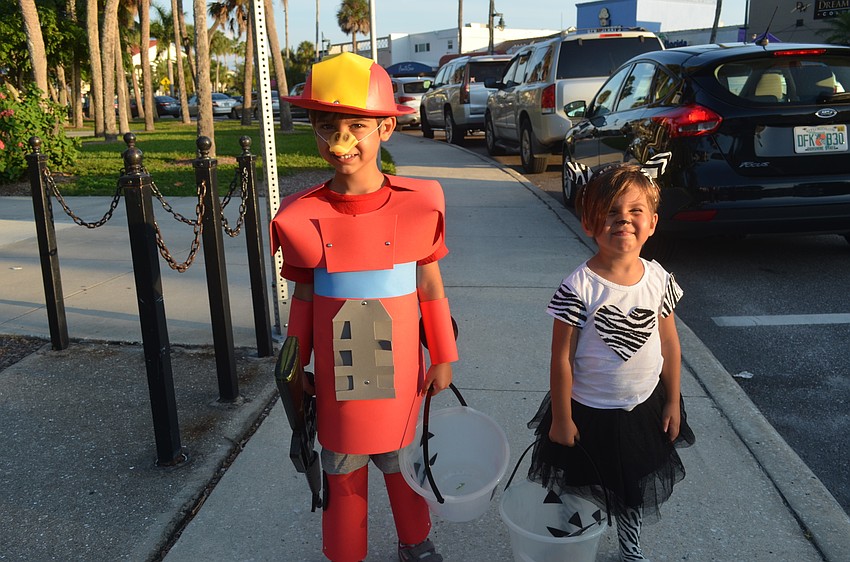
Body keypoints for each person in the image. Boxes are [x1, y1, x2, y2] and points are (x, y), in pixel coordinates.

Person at [270, 52, 457, 562]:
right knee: (342, 470)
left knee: (403, 465)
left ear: (386, 128)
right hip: (337, 384)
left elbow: (429, 284)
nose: (340, 141)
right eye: (326, 126)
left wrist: (443, 354)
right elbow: (304, 296)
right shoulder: (301, 217)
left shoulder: (419, 205)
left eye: (356, 125)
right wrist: (295, 367)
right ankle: (345, 552)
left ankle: (415, 543)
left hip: (399, 376)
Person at [527, 164, 695, 562]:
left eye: (635, 211)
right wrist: (562, 417)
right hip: (587, 410)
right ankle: (568, 540)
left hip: (642, 407)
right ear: (589, 224)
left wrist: (673, 400)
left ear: (652, 223)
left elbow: (669, 343)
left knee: (631, 483)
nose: (623, 219)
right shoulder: (578, 287)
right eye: (611, 212)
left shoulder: (658, 279)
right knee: (577, 481)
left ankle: (629, 546)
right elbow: (562, 357)